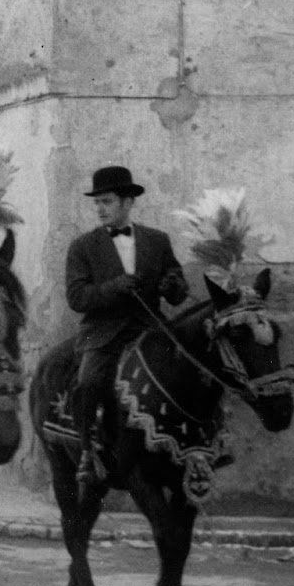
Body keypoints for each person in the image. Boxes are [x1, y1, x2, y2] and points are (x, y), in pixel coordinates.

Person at [63, 165, 189, 485]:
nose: (100, 209)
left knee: (190, 368)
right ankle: (87, 451)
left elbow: (178, 289)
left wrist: (172, 285)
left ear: (127, 203)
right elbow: (77, 298)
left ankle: (194, 444)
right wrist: (114, 287)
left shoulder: (157, 241)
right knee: (88, 382)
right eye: (97, 203)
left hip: (149, 327)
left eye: (106, 202)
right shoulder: (82, 247)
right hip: (104, 332)